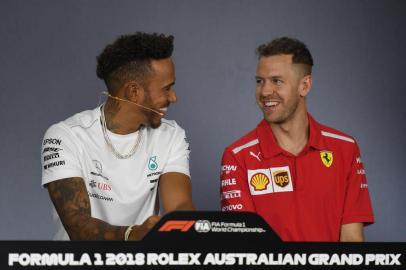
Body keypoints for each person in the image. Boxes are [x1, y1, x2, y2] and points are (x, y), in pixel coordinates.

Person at [41, 32, 195, 240]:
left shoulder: (171, 135)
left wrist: (179, 229)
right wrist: (133, 234)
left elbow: (180, 206)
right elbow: (77, 225)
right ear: (133, 92)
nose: (173, 97)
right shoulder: (65, 136)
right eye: (166, 89)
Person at [220, 37, 374, 241]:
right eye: (260, 81)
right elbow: (246, 247)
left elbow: (352, 242)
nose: (265, 91)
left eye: (277, 81)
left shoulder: (345, 149)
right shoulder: (237, 157)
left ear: (304, 85)